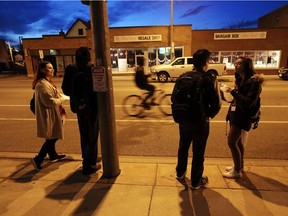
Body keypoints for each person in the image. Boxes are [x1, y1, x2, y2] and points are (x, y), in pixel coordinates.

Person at [174, 49, 221, 189]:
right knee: (198, 151)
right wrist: (209, 115)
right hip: (200, 121)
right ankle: (196, 180)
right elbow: (216, 103)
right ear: (206, 62)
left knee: (183, 146)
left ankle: (180, 172)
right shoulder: (208, 78)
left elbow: (173, 98)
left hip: (183, 119)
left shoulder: (183, 77)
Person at [62, 47, 101, 175]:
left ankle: (88, 158)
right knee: (93, 135)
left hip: (79, 108)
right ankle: (89, 165)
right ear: (89, 56)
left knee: (84, 134)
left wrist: (77, 97)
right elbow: (99, 88)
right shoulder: (93, 68)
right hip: (93, 107)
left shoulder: (70, 68)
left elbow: (65, 89)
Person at [223, 57, 263, 179]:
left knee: (231, 142)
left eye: (239, 63)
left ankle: (237, 171)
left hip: (243, 117)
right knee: (238, 142)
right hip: (236, 115)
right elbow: (236, 101)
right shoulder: (240, 79)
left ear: (247, 66)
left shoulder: (254, 83)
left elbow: (247, 102)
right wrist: (229, 114)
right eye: (236, 63)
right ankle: (239, 165)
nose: (236, 65)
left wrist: (232, 91)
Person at [31, 61, 67, 171]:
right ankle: (38, 159)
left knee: (52, 135)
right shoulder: (42, 84)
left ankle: (53, 155)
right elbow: (49, 102)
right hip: (49, 114)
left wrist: (61, 96)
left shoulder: (46, 82)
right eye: (49, 68)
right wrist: (62, 99)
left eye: (52, 68)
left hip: (52, 113)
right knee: (53, 136)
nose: (53, 70)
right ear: (42, 70)